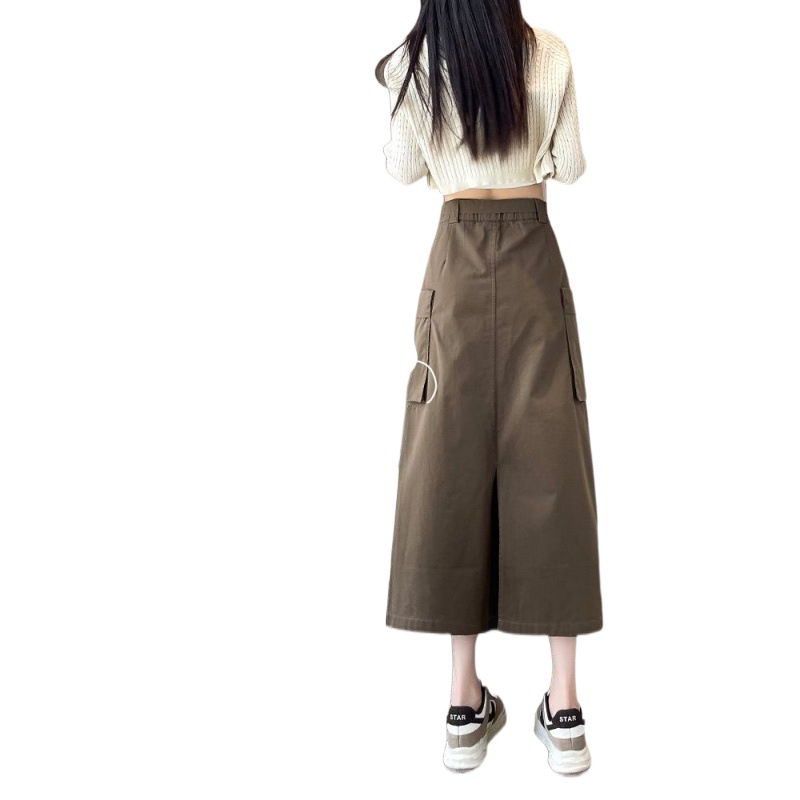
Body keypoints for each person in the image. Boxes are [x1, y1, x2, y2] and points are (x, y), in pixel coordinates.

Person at [376, 1, 603, 776]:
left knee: (450, 465)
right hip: (534, 255)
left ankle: (462, 704)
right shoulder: (551, 53)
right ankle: (565, 709)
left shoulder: (415, 62)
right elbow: (570, 164)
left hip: (457, 265)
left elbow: (401, 167)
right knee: (554, 469)